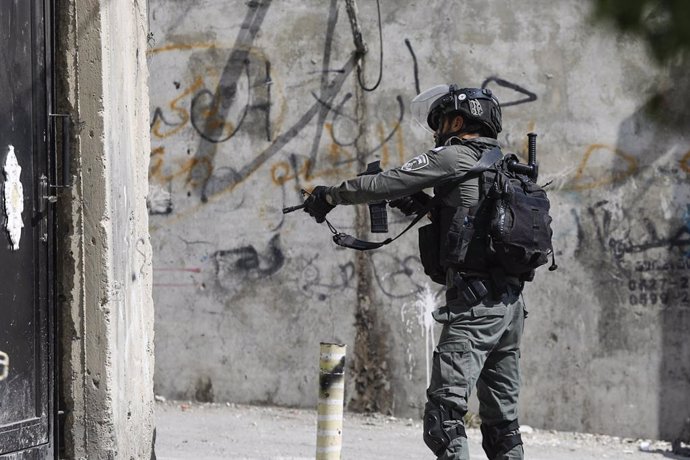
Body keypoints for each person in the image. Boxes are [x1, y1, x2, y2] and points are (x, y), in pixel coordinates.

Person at [303, 84, 526, 460]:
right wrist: (429, 206)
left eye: (441, 122)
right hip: (510, 306)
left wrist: (329, 195)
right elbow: (470, 222)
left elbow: (384, 182)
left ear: (459, 120)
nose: (438, 131)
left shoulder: (456, 155)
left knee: (444, 420)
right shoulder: (503, 165)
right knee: (502, 426)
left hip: (474, 306)